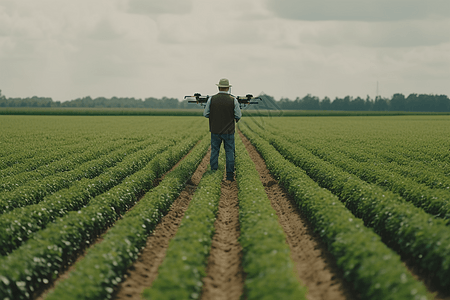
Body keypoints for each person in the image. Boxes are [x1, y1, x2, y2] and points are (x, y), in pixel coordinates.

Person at [203, 78, 242, 181]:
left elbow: (205, 114)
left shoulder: (211, 99)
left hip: (215, 130)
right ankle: (229, 176)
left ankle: (213, 173)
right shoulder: (233, 100)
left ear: (218, 87)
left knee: (215, 151)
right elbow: (238, 115)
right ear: (228, 88)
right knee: (229, 152)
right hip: (229, 132)